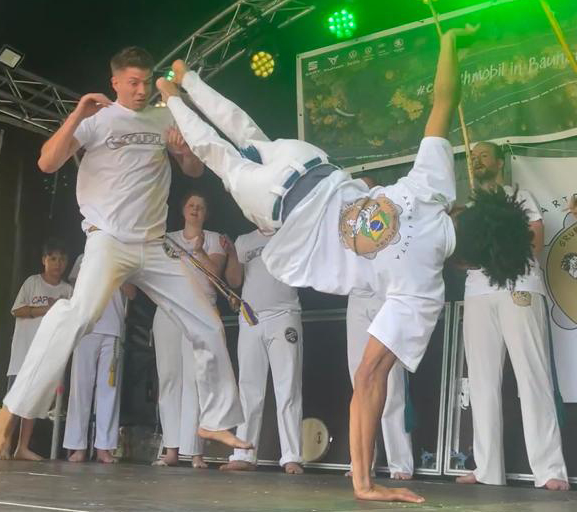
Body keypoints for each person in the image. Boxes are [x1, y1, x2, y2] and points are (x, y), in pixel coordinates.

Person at [157, 26, 534, 502]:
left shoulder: (435, 189)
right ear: (469, 265)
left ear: (468, 212)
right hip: (278, 206)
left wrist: (450, 41)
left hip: (311, 163)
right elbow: (369, 379)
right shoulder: (424, 294)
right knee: (221, 156)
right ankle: (172, 95)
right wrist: (362, 481)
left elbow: (443, 101)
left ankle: (187, 78)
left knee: (245, 130)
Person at [0, 46, 249, 457]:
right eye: (133, 83)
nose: (142, 90)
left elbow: (194, 170)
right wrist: (78, 113)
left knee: (208, 323)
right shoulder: (97, 121)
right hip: (108, 241)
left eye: (146, 81)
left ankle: (213, 421)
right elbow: (48, 162)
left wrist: (181, 152)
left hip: (155, 245)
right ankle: (10, 412)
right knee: (77, 315)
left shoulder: (165, 116)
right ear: (116, 82)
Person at [455, 141, 569, 491]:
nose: (476, 161)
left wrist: (505, 248)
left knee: (531, 376)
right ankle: (487, 467)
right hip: (477, 291)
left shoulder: (520, 196)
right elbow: (460, 258)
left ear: (500, 162)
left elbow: (535, 239)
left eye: (483, 155)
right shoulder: (469, 207)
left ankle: (549, 470)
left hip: (518, 286)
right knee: (482, 380)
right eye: (472, 158)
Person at [218, 229, 304, 475]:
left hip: (284, 315)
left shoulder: (291, 233)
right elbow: (235, 281)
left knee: (287, 387)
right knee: (248, 388)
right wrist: (233, 254)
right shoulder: (244, 240)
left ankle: (291, 456)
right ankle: (244, 453)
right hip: (250, 318)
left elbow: (300, 272)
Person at [152, 191, 226, 469]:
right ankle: (171, 448)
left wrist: (200, 250)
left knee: (196, 381)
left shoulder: (215, 238)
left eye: (201, 206)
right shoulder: (166, 239)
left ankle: (195, 452)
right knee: (169, 378)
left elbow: (216, 276)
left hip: (199, 310)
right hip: (169, 311)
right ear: (183, 210)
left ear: (206, 214)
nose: (195, 210)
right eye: (191, 205)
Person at [64, 253, 136, 464]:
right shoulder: (84, 257)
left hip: (113, 330)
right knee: (81, 388)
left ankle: (104, 448)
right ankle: (77, 447)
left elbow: (132, 294)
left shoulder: (125, 258)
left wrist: (118, 274)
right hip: (87, 328)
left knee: (109, 390)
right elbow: (76, 290)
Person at [6, 237, 73, 461]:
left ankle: (22, 447)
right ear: (44, 260)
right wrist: (46, 309)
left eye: (62, 259)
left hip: (48, 355)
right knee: (14, 399)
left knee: (32, 402)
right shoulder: (32, 282)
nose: (57, 264)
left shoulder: (67, 290)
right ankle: (4, 443)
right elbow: (17, 310)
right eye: (52, 258)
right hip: (23, 351)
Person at [346, 289, 413, 480]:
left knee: (393, 383)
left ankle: (400, 462)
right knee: (359, 381)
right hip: (357, 295)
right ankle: (362, 463)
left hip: (388, 294)